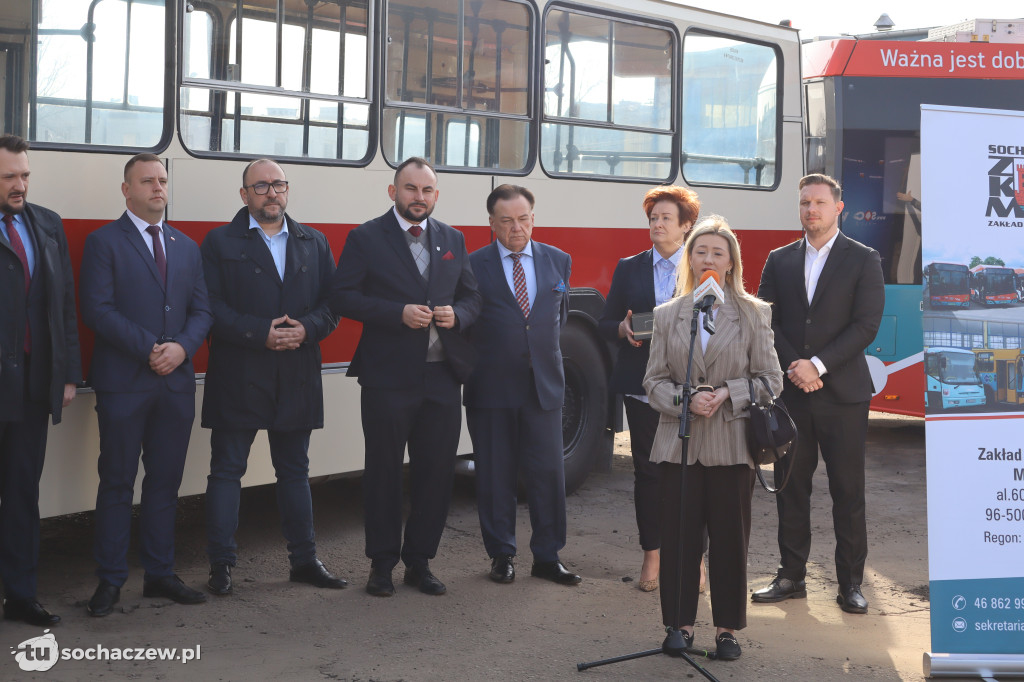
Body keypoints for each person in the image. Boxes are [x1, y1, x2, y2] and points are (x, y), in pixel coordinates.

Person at [329, 157, 481, 597]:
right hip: (387, 378)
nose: (419, 197)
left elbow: (473, 297)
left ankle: (420, 562)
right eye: (411, 188)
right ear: (393, 192)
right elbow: (342, 296)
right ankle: (381, 565)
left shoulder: (452, 238)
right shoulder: (365, 237)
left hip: (442, 377)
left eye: (427, 190)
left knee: (436, 473)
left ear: (436, 195)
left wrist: (458, 315)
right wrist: (396, 313)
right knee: (383, 473)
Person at [200, 159, 345, 596]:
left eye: (278, 184)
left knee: (295, 470)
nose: (271, 193)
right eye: (260, 186)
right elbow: (209, 305)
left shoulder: (313, 241)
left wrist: (308, 329)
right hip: (239, 370)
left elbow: (333, 303)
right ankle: (221, 565)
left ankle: (305, 561)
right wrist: (258, 332)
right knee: (227, 470)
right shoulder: (219, 242)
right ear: (244, 194)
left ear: (287, 190)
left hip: (296, 370)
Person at [79, 153, 213, 616]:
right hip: (124, 383)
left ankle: (160, 574)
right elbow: (97, 309)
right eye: (147, 181)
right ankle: (110, 580)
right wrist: (153, 348)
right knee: (117, 482)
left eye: (162, 180)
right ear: (127, 190)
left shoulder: (186, 246)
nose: (158, 188)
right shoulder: (103, 242)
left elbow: (203, 311)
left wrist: (181, 349)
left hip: (175, 384)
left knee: (164, 482)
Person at [643, 216, 783, 661]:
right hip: (678, 445)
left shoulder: (754, 313)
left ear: (731, 263)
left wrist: (727, 393)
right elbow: (653, 382)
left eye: (717, 253)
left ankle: (727, 630)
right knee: (679, 541)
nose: (708, 258)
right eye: (700, 251)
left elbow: (771, 380)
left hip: (732, 445)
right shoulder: (668, 314)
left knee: (729, 542)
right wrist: (685, 399)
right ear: (690, 259)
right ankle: (679, 626)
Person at [754, 173, 884, 614]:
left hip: (844, 395)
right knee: (791, 488)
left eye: (820, 202)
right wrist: (797, 366)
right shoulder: (779, 259)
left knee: (848, 492)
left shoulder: (863, 258)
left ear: (838, 208)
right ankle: (791, 576)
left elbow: (866, 325)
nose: (811, 209)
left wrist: (819, 365)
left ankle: (850, 584)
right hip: (793, 394)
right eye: (805, 202)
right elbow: (766, 319)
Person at [464, 185, 579, 587]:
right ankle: (502, 555)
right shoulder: (472, 265)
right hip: (491, 386)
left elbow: (558, 317)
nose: (517, 228)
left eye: (524, 218)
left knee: (548, 473)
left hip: (543, 385)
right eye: (507, 220)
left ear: (534, 217)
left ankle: (548, 557)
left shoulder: (558, 260)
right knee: (495, 474)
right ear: (492, 223)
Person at [598, 185, 700, 593]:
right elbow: (606, 322)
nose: (657, 224)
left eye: (666, 218)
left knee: (693, 474)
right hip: (642, 386)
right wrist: (621, 328)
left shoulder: (703, 264)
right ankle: (652, 554)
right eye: (653, 218)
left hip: (693, 387)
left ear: (686, 225)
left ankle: (694, 559)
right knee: (649, 473)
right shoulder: (630, 267)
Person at [0, 135, 81, 627]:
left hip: (31, 386)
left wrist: (68, 374)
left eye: (25, 175)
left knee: (22, 493)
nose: (20, 185)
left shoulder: (46, 223)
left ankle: (21, 595)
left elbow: (63, 304)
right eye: (9, 176)